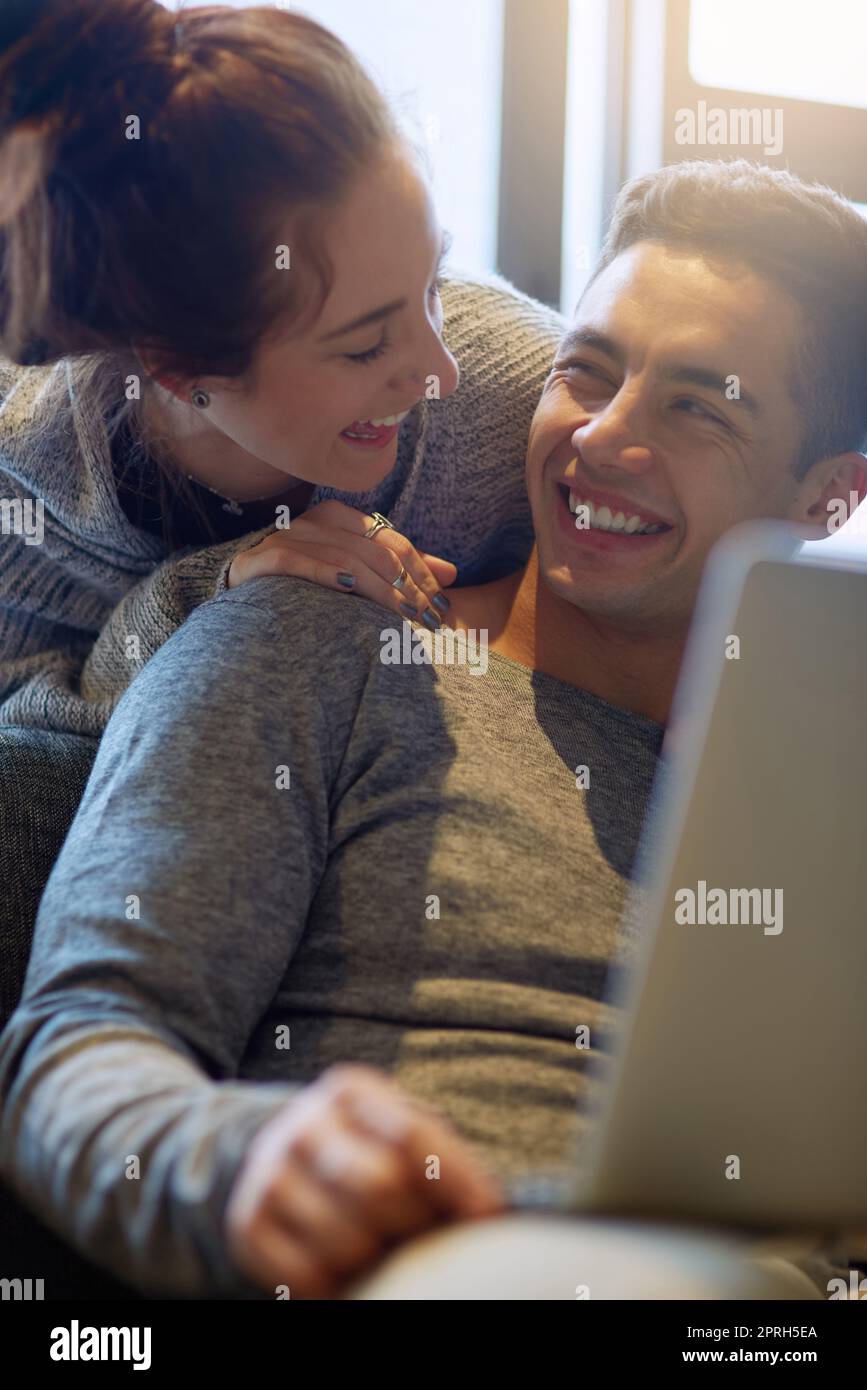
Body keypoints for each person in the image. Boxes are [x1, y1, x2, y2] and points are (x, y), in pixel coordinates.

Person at [2, 159, 866, 1300]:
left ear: (830, 498)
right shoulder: (314, 641)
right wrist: (242, 1163)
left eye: (698, 406)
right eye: (587, 372)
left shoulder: (821, 806)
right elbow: (73, 1044)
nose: (601, 438)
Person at [0, 0, 563, 736]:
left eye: (434, 283)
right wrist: (209, 595)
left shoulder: (525, 396)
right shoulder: (26, 486)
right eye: (364, 346)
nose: (440, 369)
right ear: (180, 369)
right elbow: (28, 752)